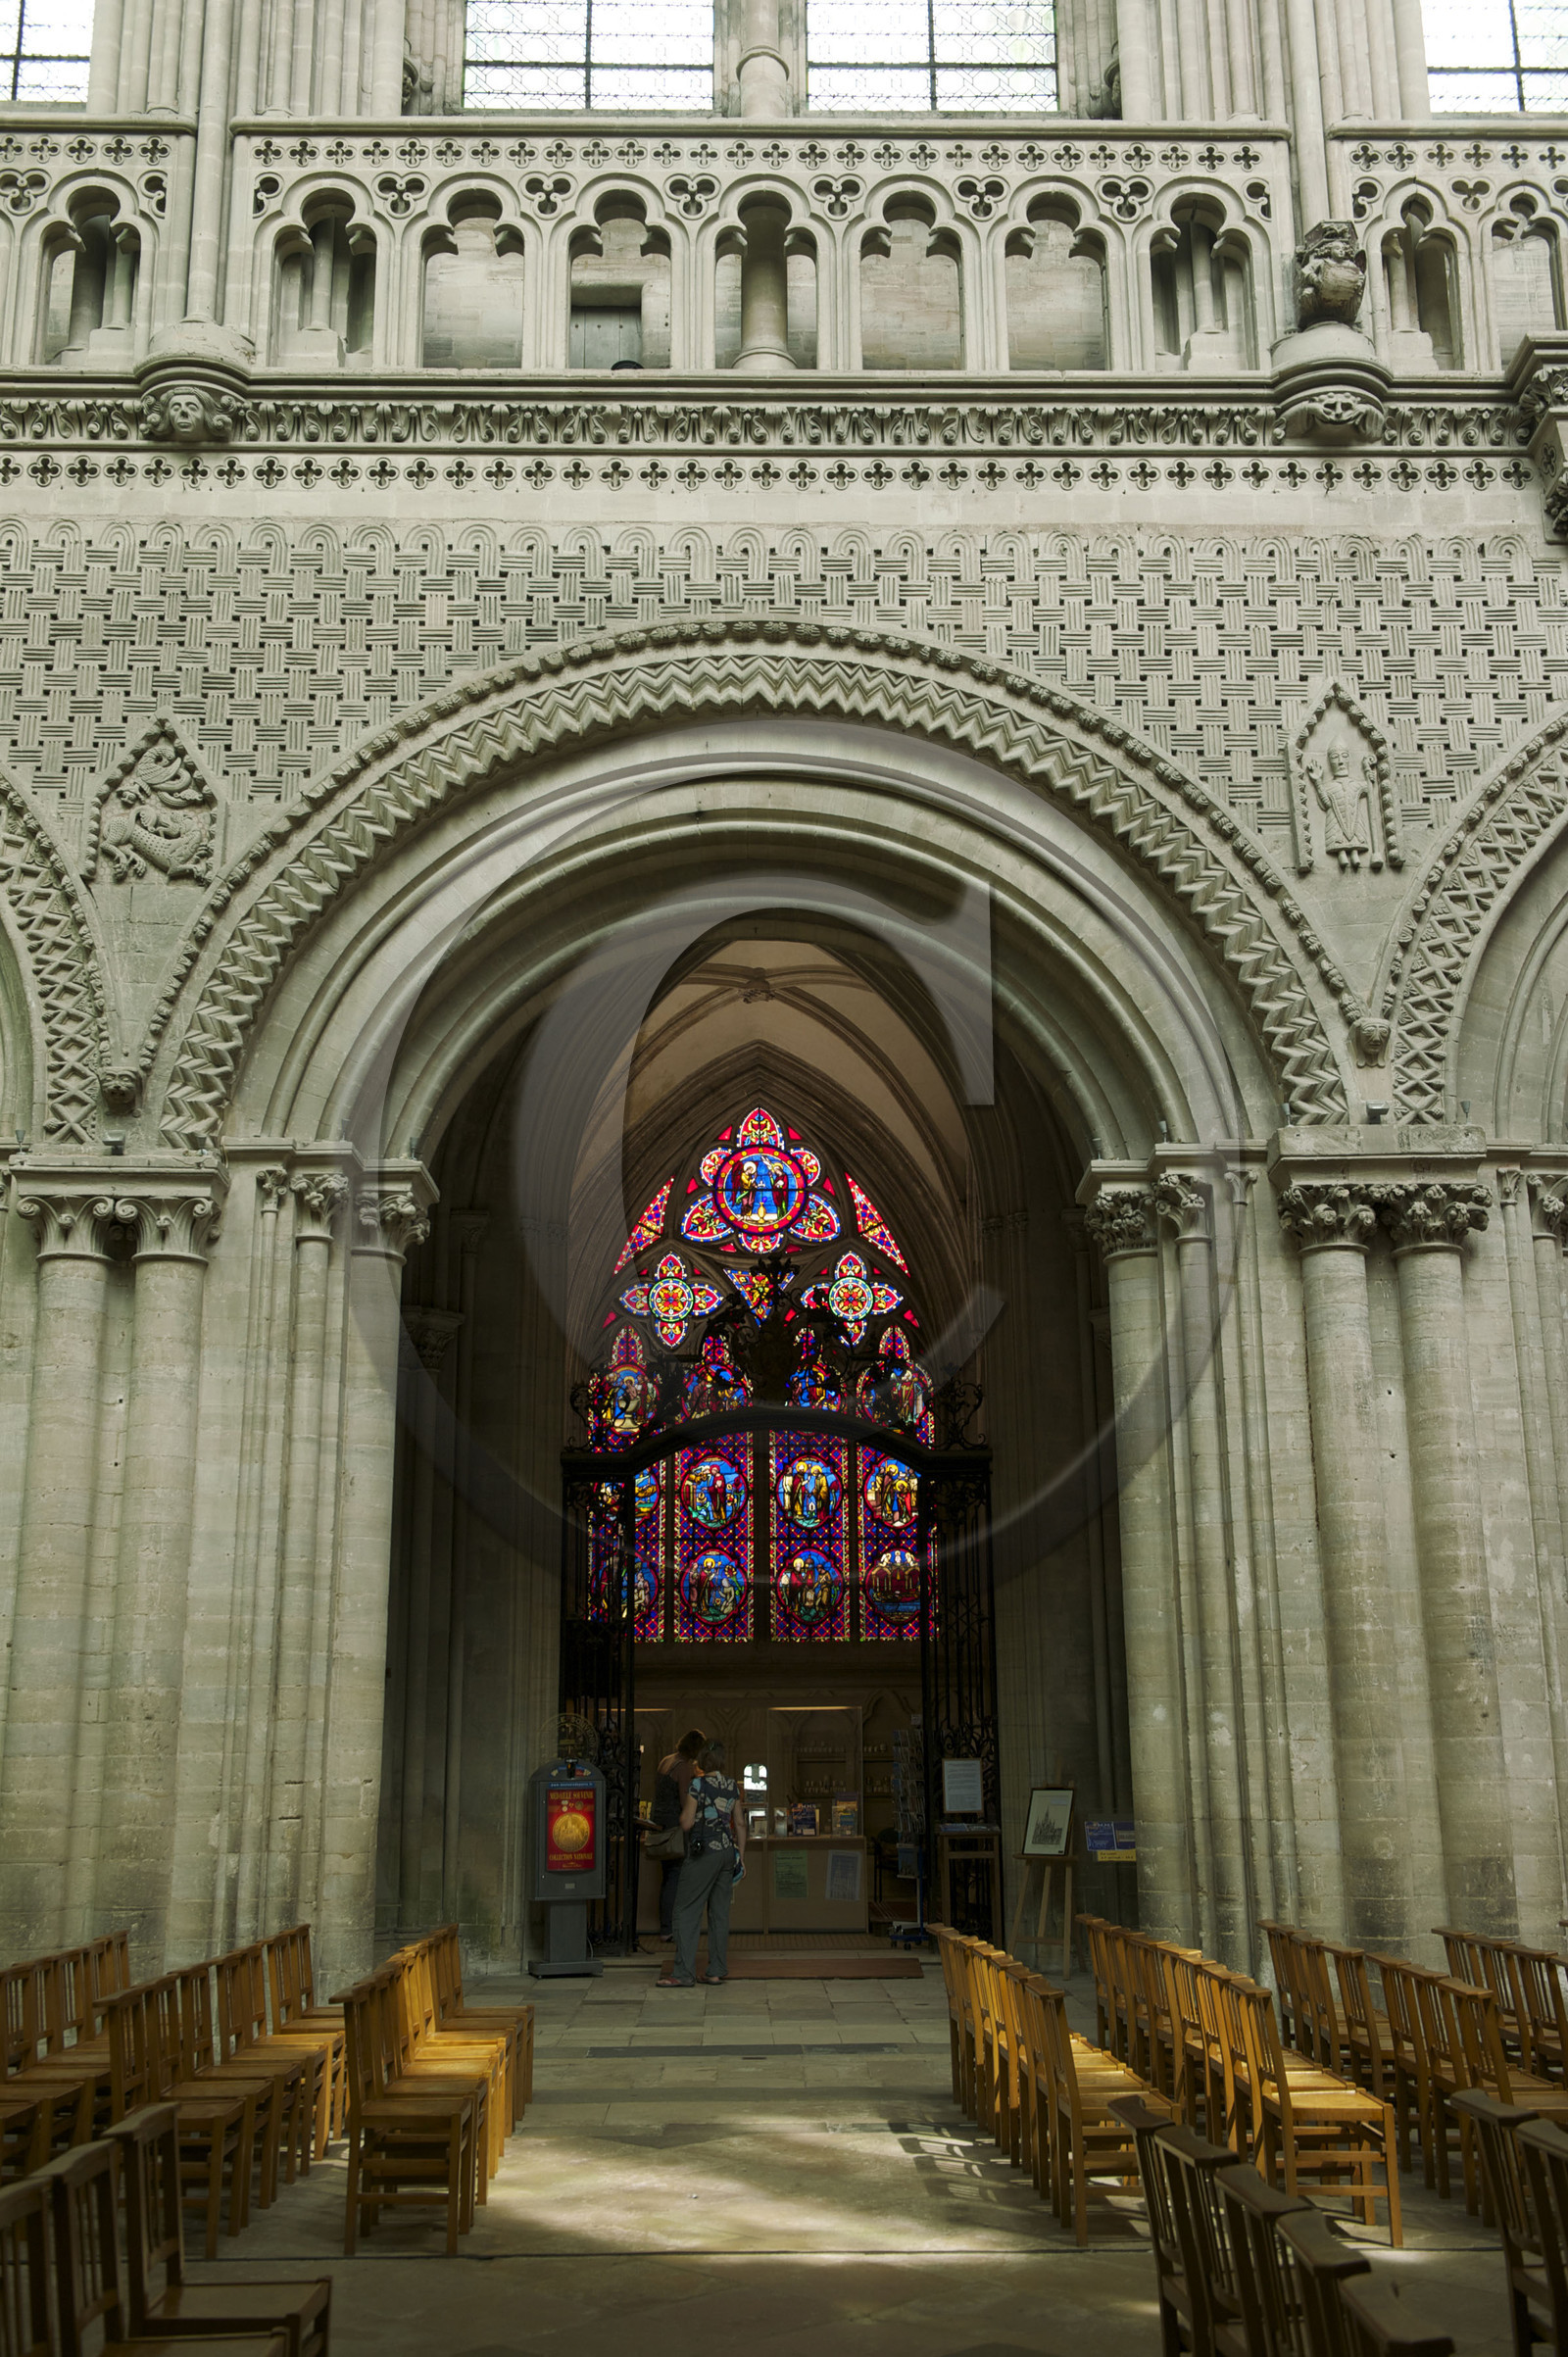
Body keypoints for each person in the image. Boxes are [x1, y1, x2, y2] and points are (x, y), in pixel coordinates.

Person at [660, 1739, 746, 1988]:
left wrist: (686, 1814)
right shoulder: (732, 1786)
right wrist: (741, 1856)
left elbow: (686, 1823)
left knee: (686, 1911)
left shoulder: (698, 1784)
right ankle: (716, 1970)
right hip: (727, 1854)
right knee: (719, 1914)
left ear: (701, 1761)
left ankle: (683, 1973)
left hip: (703, 1852)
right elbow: (740, 1824)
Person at [648, 1728, 705, 1946]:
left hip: (659, 1823)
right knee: (676, 1876)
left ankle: (666, 1926)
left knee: (667, 1876)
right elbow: (684, 1800)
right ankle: (669, 1928)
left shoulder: (666, 1760)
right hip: (675, 1825)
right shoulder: (683, 1767)